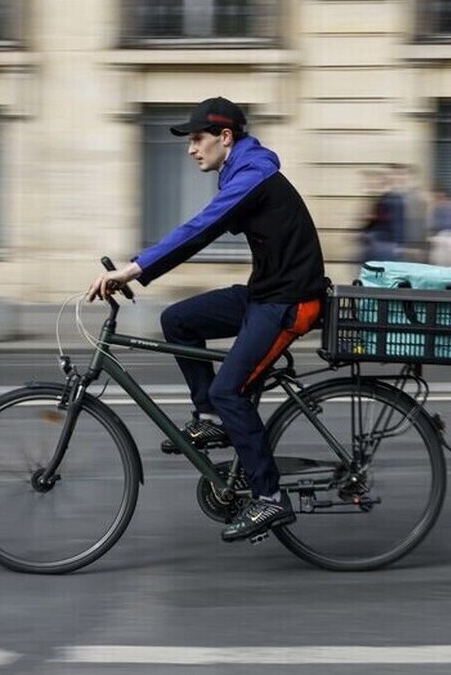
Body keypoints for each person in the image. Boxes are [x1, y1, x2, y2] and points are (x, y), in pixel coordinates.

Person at [87, 97, 327, 543]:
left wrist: (133, 269)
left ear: (225, 137)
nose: (191, 149)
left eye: (197, 139)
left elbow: (198, 229)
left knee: (229, 388)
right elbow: (203, 232)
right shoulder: (240, 171)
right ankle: (212, 417)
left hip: (290, 302)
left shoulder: (253, 174)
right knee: (179, 320)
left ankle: (269, 496)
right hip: (265, 294)